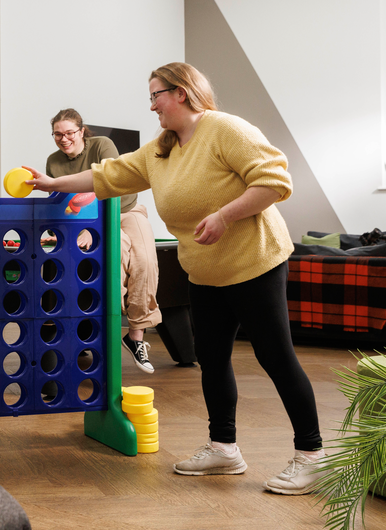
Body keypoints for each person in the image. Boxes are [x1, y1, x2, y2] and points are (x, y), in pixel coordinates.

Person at [24, 63, 324, 495]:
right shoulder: (162, 149)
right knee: (212, 359)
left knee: (275, 357)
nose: (151, 106)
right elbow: (107, 175)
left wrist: (225, 215)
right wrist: (51, 181)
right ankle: (224, 448)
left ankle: (312, 455)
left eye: (156, 95)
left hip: (254, 262)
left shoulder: (224, 129)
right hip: (205, 271)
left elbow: (275, 181)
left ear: (181, 92)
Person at [45, 108, 161, 374]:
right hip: (88, 220)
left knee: (145, 260)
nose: (64, 139)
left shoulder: (102, 145)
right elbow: (60, 200)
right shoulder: (54, 161)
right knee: (115, 251)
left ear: (82, 131)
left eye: (70, 133)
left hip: (125, 210)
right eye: (57, 134)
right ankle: (106, 331)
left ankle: (136, 337)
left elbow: (111, 184)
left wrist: (93, 227)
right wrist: (57, 228)